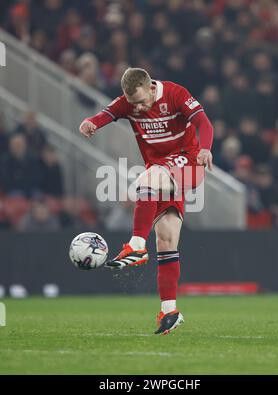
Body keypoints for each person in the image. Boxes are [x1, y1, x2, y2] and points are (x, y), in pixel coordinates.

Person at [79, 68, 213, 335]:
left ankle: (136, 246)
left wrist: (206, 148)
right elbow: (107, 114)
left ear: (151, 87)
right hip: (162, 171)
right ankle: (169, 311)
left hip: (187, 161)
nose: (138, 107)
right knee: (165, 239)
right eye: (133, 104)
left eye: (142, 101)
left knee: (144, 182)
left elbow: (204, 123)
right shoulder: (128, 102)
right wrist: (91, 122)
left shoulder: (175, 94)